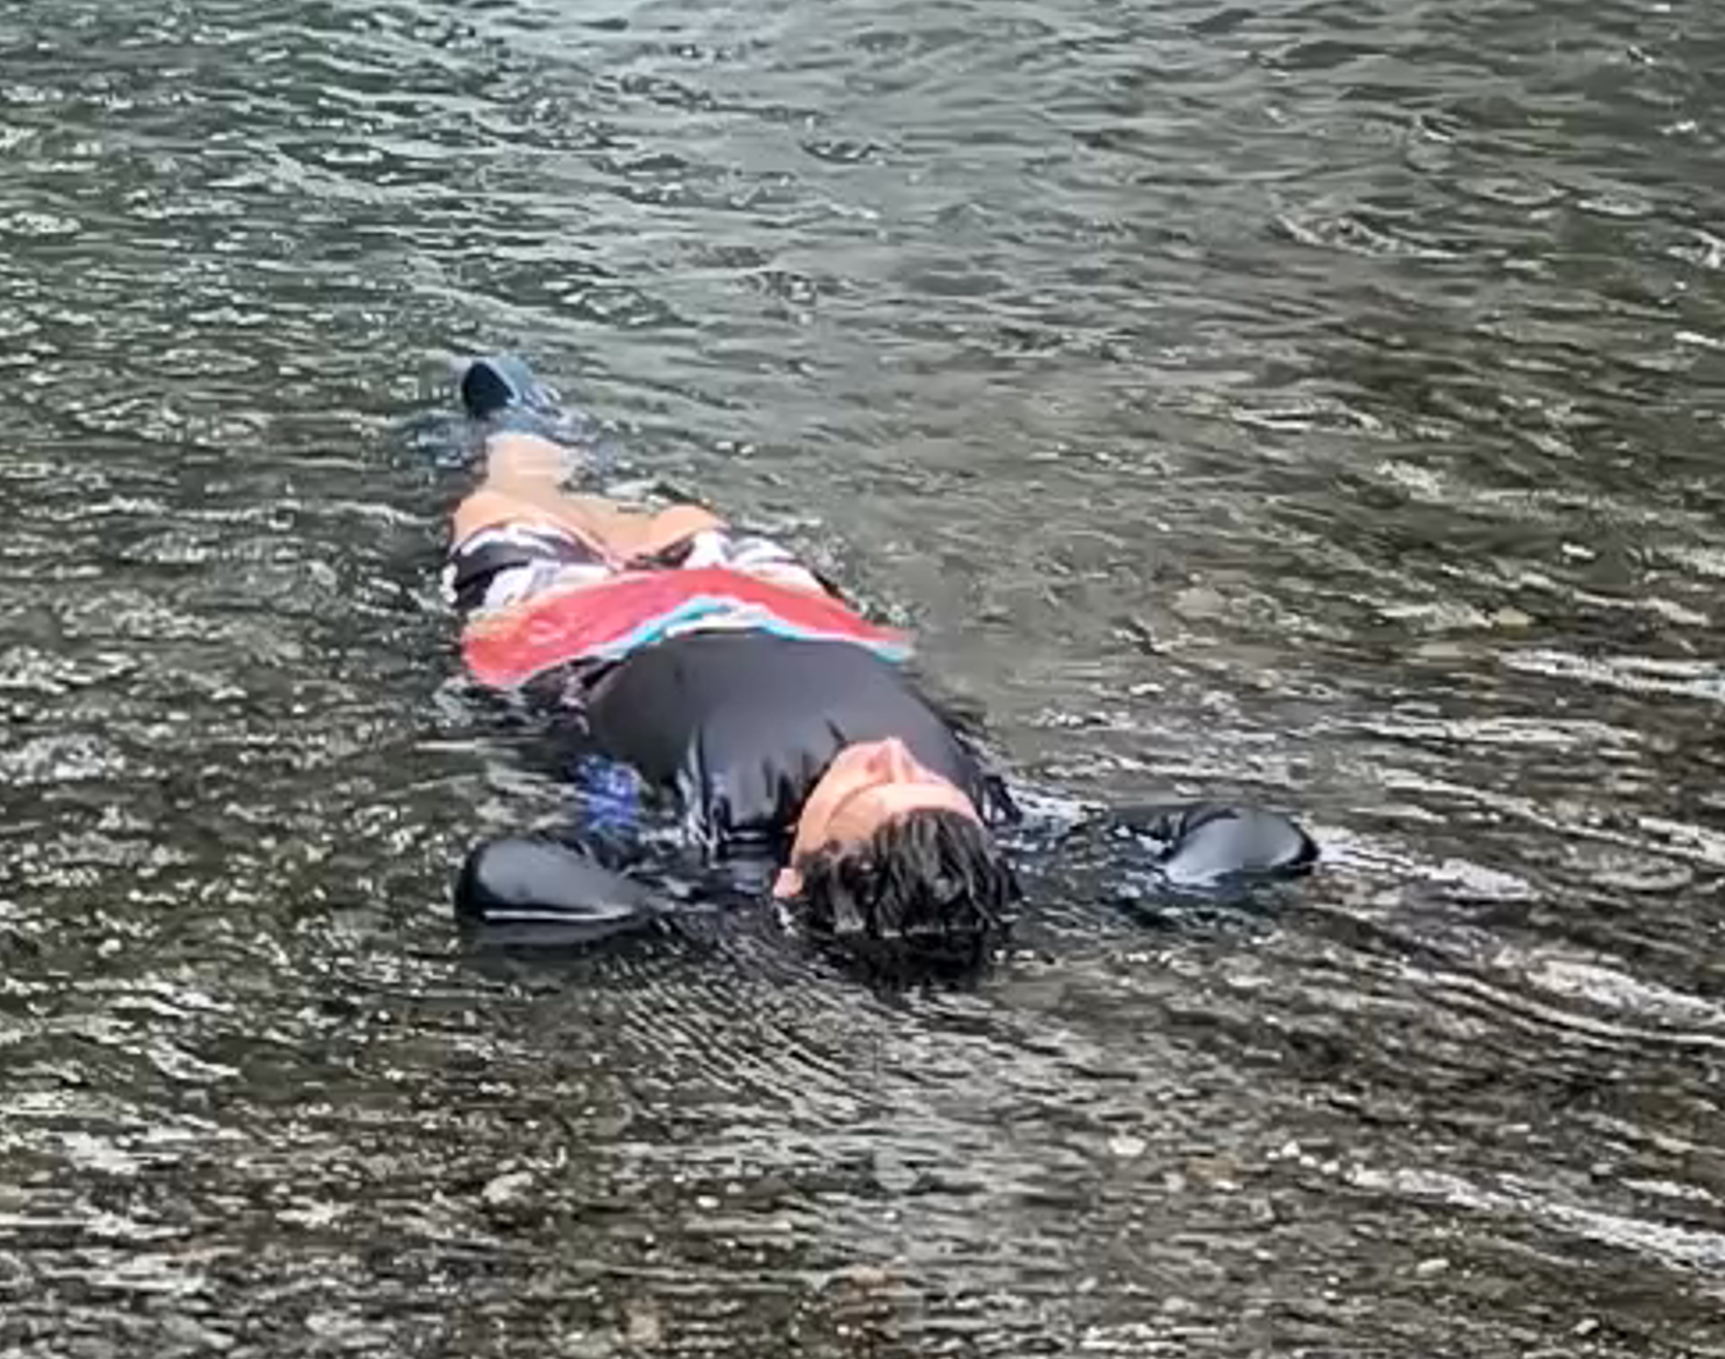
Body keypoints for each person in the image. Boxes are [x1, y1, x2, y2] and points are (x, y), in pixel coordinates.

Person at [439, 359, 1314, 977]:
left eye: (866, 788)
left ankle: (517, 438)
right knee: (681, 521)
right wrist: (1159, 894)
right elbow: (1262, 836)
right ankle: (591, 471)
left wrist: (684, 926)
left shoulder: (704, 858)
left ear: (796, 876)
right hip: (785, 611)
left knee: (504, 504)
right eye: (920, 780)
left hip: (588, 640)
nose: (892, 756)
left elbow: (504, 877)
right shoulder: (999, 836)